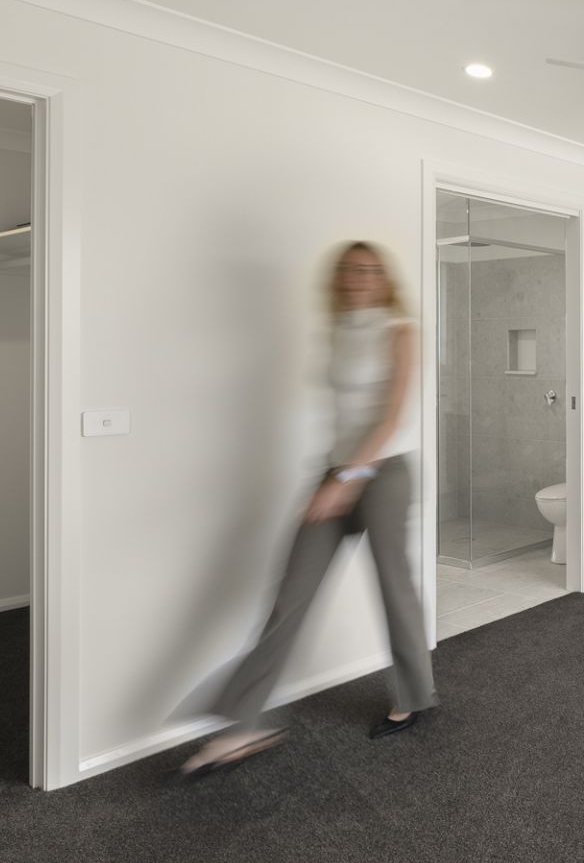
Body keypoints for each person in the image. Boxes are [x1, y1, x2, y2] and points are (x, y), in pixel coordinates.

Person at [181, 241, 436, 777]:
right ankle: (242, 725)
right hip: (335, 474)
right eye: (352, 269)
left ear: (385, 279)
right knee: (289, 598)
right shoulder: (338, 330)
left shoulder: (400, 332)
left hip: (383, 476)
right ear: (339, 278)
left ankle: (413, 696)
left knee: (394, 588)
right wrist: (332, 477)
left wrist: (347, 479)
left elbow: (391, 418)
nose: (361, 277)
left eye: (372, 270)